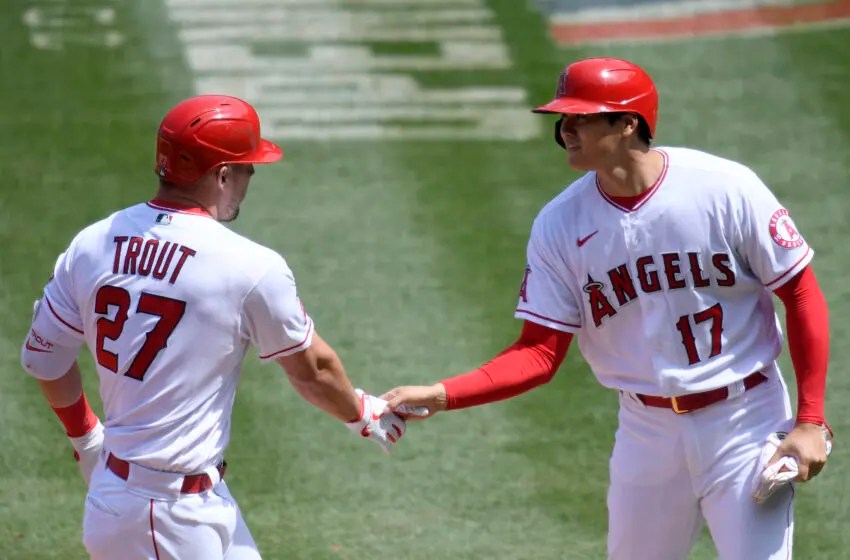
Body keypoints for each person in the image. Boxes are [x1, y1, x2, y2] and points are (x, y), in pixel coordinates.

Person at [381, 57, 832, 559]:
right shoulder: (560, 224)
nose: (565, 131)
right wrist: (444, 394)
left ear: (628, 123)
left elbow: (801, 294)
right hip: (646, 433)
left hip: (745, 419)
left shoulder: (723, 188)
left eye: (581, 118)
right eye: (563, 120)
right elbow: (538, 354)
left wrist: (810, 420)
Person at [20, 94, 405, 560]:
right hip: (162, 516)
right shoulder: (249, 266)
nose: (251, 178)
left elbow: (43, 358)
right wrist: (362, 413)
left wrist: (85, 438)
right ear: (222, 175)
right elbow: (314, 370)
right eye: (247, 168)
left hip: (177, 499)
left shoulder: (92, 243)